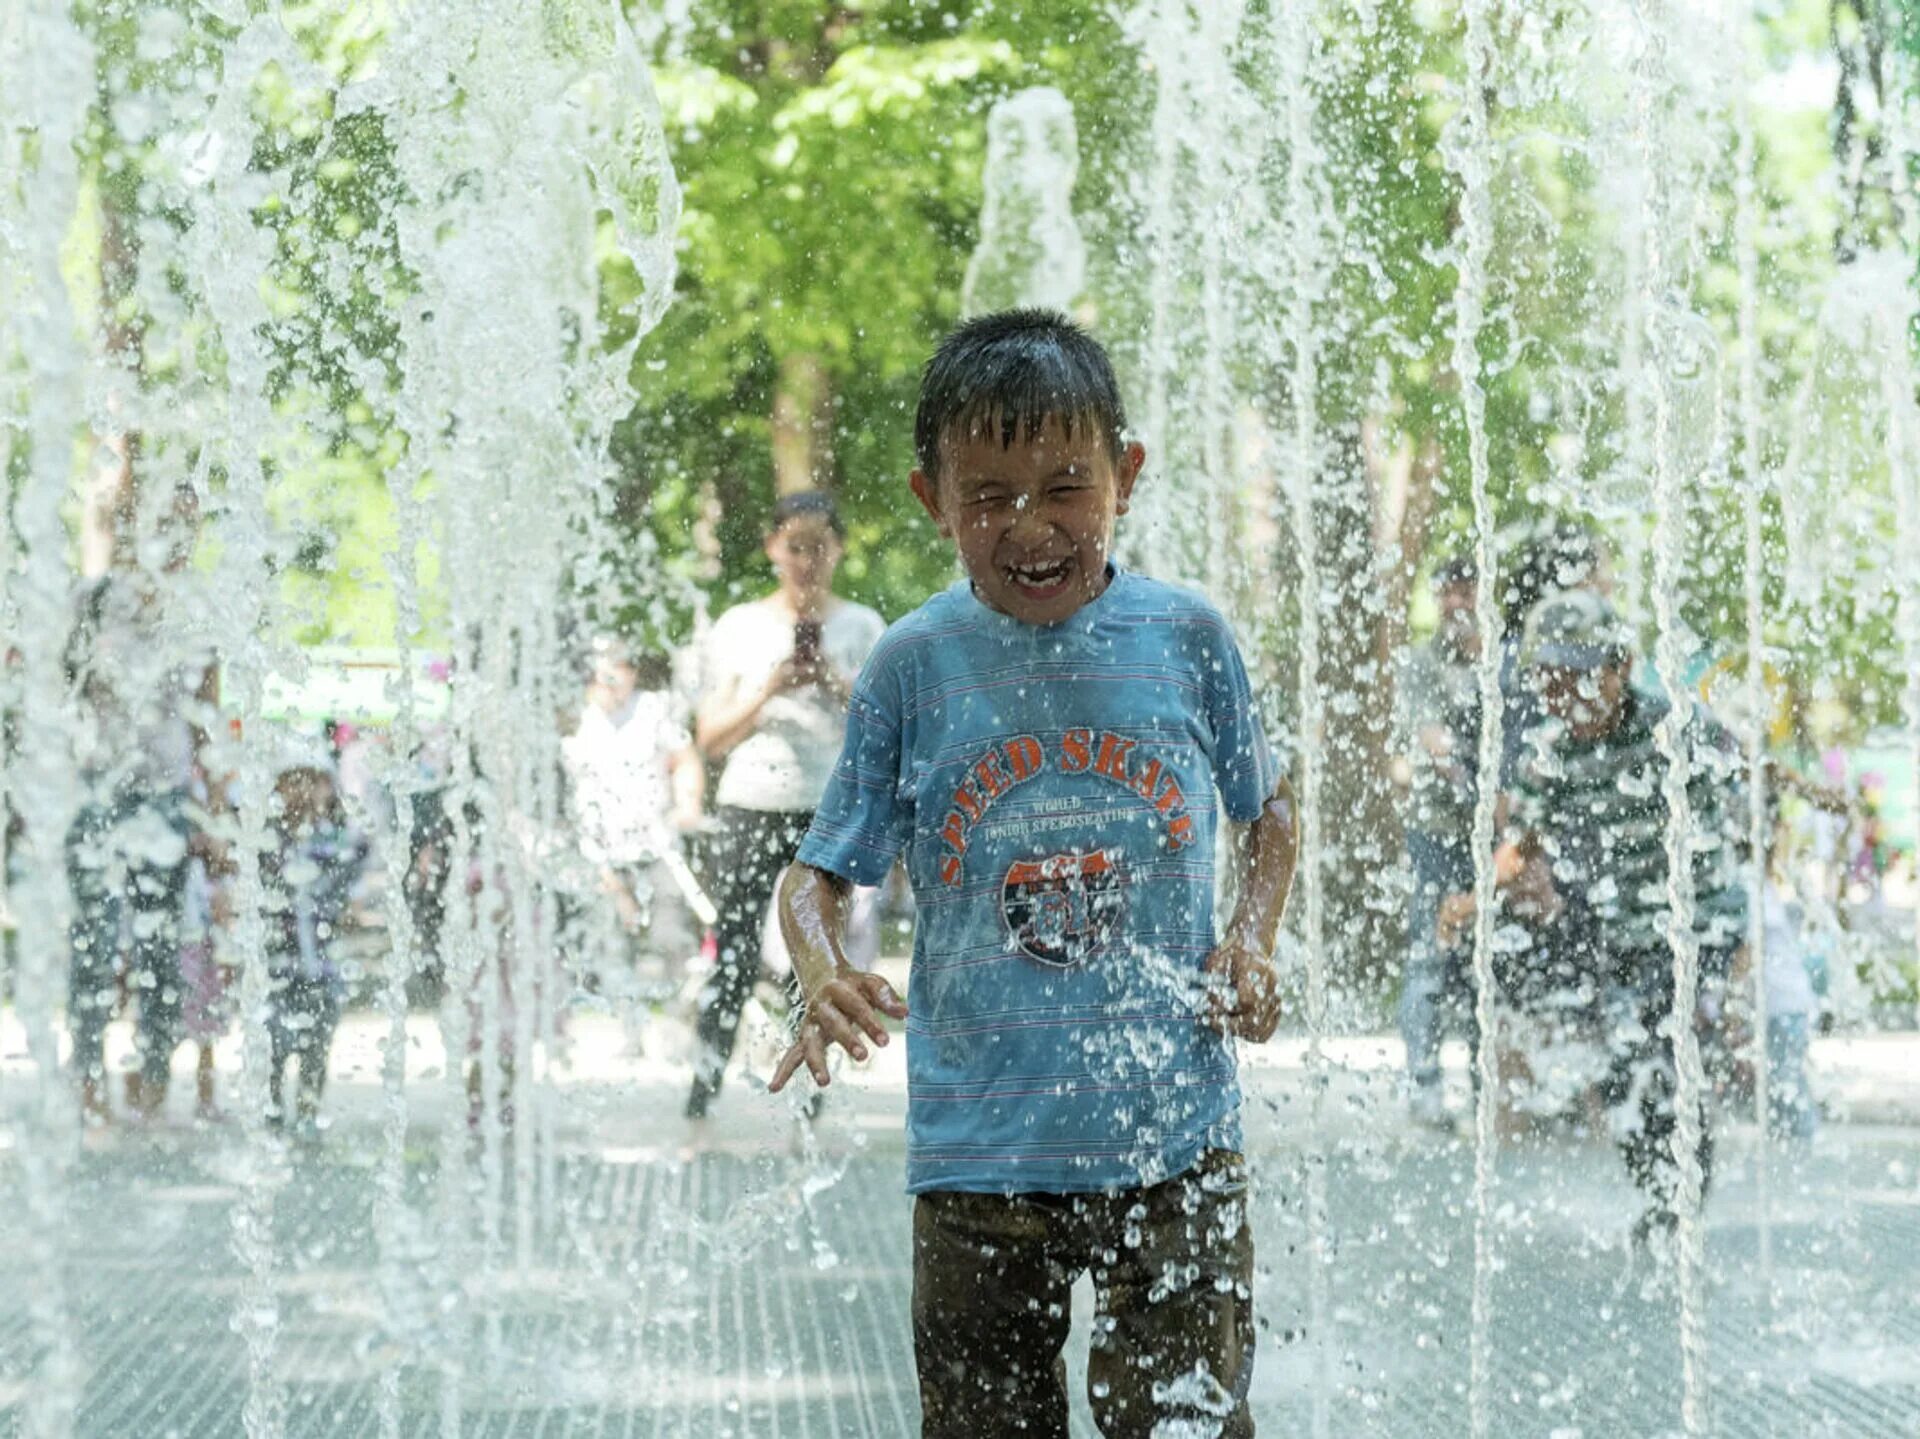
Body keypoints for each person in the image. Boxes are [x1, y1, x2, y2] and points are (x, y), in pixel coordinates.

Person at [768, 309, 1299, 1437]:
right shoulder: (915, 661)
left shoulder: (1188, 636)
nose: (1031, 526)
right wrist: (818, 967)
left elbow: (1270, 808)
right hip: (976, 1158)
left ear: (1127, 474)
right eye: (989, 497)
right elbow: (818, 870)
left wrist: (1249, 939)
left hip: (1173, 1143)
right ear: (931, 500)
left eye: (1065, 487)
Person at [1494, 590, 1746, 1245]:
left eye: (1576, 678)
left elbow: (1725, 836)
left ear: (1619, 668)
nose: (1561, 697)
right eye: (1548, 683)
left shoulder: (1672, 728)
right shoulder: (1551, 748)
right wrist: (1477, 893)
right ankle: (1662, 1195)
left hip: (1692, 931)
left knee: (1661, 1062)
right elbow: (1519, 841)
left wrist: (1734, 957)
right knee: (1621, 1076)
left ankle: (1681, 1201)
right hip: (1621, 931)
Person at [685, 491, 884, 1119]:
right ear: (773, 547)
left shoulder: (863, 627)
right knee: (735, 950)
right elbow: (708, 738)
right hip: (751, 801)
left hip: (826, 809)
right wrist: (768, 689)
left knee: (819, 957)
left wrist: (831, 681)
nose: (807, 559)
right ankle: (701, 1090)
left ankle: (812, 1098)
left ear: (839, 550)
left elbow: (884, 730)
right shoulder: (739, 625)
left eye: (819, 546)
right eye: (794, 545)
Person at [562, 638, 704, 992]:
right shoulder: (575, 719)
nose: (613, 676)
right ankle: (626, 1031)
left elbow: (686, 759)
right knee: (610, 941)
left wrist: (688, 804)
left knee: (671, 934)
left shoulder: (653, 709)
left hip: (656, 845)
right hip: (600, 853)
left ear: (633, 673)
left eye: (621, 667)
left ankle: (679, 1011)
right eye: (604, 667)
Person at [1396, 555, 1482, 1126]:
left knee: (1483, 963)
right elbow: (1432, 740)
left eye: (1463, 591)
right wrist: (1477, 777)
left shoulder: (1498, 662)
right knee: (1429, 958)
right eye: (1444, 593)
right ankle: (1426, 1087)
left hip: (1489, 841)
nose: (1454, 603)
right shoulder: (1422, 664)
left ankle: (1485, 1083)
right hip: (1435, 832)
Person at [262, 762, 369, 1137]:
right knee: (273, 1042)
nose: (302, 793)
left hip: (322, 961)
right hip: (278, 961)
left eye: (311, 784)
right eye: (293, 784)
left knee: (318, 1042)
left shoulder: (331, 838)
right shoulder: (267, 838)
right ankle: (272, 1110)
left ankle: (308, 1110)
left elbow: (355, 863)